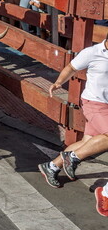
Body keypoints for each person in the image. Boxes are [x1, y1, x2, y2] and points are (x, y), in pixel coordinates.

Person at [39, 34, 108, 189]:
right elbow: (72, 67)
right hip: (94, 103)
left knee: (86, 142)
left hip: (106, 106)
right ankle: (74, 157)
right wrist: (58, 83)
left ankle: (51, 166)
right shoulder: (92, 52)